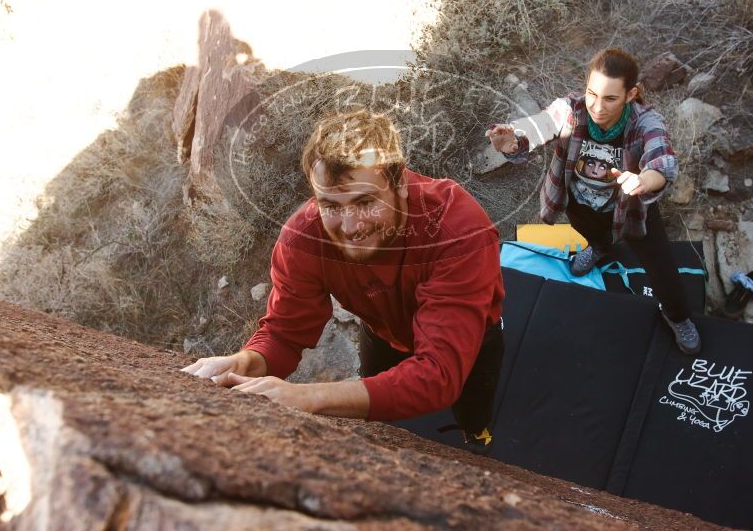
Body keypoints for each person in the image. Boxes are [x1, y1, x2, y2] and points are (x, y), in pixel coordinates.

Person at [182, 110, 505, 452]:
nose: (350, 227)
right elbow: (285, 333)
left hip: (474, 336)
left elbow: (439, 374)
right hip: (383, 331)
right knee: (377, 424)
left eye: (365, 201)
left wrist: (308, 396)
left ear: (399, 183)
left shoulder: (457, 229)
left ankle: (475, 437)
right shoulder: (305, 239)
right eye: (331, 206)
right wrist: (245, 361)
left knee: (473, 413)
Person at [486, 48, 701, 355]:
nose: (598, 107)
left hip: (631, 209)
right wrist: (513, 142)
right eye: (592, 94)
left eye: (611, 98)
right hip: (582, 203)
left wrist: (642, 181)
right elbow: (540, 125)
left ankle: (678, 316)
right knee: (592, 234)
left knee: (662, 269)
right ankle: (600, 247)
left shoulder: (646, 122)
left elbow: (662, 163)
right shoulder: (572, 108)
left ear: (630, 94)